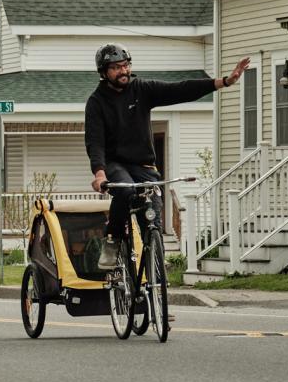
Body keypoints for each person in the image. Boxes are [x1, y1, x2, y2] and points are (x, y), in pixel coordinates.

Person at [85, 43, 251, 269]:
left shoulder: (141, 89)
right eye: (116, 67)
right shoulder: (96, 102)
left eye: (126, 65)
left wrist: (223, 82)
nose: (123, 71)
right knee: (124, 191)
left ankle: (154, 273)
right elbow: (95, 142)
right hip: (116, 164)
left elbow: (180, 89)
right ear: (104, 72)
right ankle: (112, 241)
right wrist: (99, 173)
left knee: (152, 213)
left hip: (144, 164)